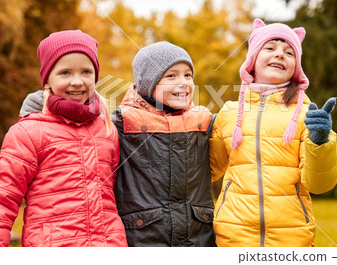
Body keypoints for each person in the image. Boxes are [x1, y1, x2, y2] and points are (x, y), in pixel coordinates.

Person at [19, 41, 216, 247]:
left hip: (198, 236)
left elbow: (222, 151)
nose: (183, 82)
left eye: (188, 75)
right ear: (149, 82)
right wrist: (44, 104)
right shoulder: (122, 122)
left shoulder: (202, 120)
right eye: (171, 76)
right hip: (144, 237)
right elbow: (82, 133)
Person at [0, 30, 127, 247]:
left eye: (86, 71)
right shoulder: (28, 132)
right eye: (65, 73)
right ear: (47, 78)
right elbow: (2, 199)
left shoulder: (107, 130)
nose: (77, 81)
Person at [209, 19, 337, 247]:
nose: (280, 55)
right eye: (270, 48)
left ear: (296, 67)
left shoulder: (306, 116)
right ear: (252, 60)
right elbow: (207, 170)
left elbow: (320, 184)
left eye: (289, 52)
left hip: (291, 238)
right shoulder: (230, 112)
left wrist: (320, 143)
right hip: (233, 236)